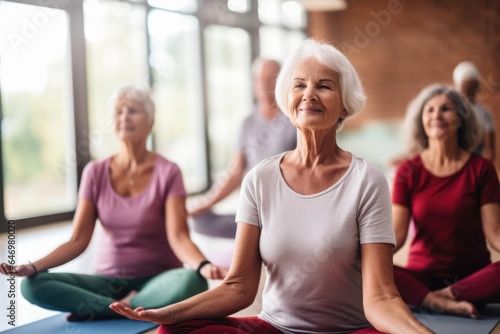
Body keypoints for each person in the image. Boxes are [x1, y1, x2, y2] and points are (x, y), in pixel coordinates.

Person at [109, 39, 432, 334]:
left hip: (349, 330)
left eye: (324, 86)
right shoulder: (260, 178)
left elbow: (382, 296)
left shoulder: (367, 180)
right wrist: (167, 313)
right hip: (275, 328)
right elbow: (239, 286)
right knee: (174, 331)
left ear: (345, 105)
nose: (309, 94)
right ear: (287, 99)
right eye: (299, 85)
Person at [0, 85, 227, 321]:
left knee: (194, 281)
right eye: (119, 111)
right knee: (32, 285)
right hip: (107, 280)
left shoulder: (168, 172)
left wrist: (202, 265)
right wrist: (33, 266)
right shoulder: (95, 172)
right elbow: (78, 240)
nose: (124, 117)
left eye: (133, 110)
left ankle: (102, 308)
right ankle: (125, 307)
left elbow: (179, 236)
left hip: (159, 279)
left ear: (150, 122)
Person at [392, 84, 500, 319]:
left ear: (461, 119)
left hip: (473, 280)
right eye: (429, 110)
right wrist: (360, 258)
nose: (436, 115)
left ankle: (442, 298)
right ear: (421, 121)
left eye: (445, 109)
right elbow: (396, 237)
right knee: (362, 267)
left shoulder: (482, 169)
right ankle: (438, 301)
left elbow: (495, 233)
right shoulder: (407, 171)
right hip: (420, 278)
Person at [188, 58, 296, 238]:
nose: (262, 84)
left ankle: (264, 234)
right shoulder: (248, 122)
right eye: (257, 78)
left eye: (270, 78)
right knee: (199, 221)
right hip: (252, 209)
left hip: (283, 208)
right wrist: (205, 203)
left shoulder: (293, 119)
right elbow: (235, 172)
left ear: (281, 81)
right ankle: (257, 234)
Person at [453, 61, 496, 162]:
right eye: (464, 89)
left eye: (470, 88)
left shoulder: (485, 114)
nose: (467, 93)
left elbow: (489, 148)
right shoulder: (451, 114)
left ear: (477, 87)